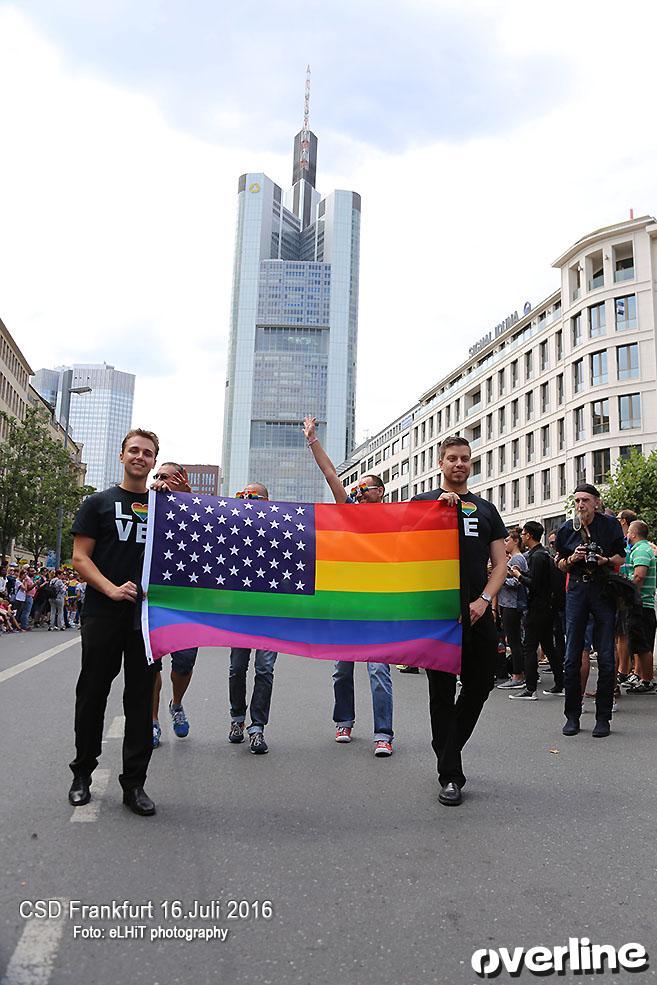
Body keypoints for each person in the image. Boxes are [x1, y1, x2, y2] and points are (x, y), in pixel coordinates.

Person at [68, 428, 161, 816]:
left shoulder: (164, 508)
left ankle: (134, 784)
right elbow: (80, 557)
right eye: (134, 450)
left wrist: (173, 493)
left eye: (147, 453)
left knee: (140, 701)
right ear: (122, 456)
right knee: (92, 695)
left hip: (147, 620)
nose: (140, 456)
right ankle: (82, 774)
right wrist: (110, 589)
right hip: (103, 613)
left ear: (154, 461)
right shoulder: (98, 503)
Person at [413, 436, 507, 806]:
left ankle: (447, 746)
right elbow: (401, 548)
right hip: (438, 616)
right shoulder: (423, 503)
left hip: (477, 612)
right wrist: (437, 510)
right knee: (440, 693)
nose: (459, 464)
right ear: (440, 463)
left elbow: (500, 564)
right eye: (452, 458)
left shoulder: (486, 510)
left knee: (481, 684)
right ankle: (451, 775)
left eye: (465, 458)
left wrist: (484, 600)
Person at [303, 415, 394, 757]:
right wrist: (313, 440)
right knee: (342, 670)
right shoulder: (351, 512)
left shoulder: (396, 518)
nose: (355, 492)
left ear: (379, 492)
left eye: (362, 488)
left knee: (379, 671)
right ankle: (344, 721)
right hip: (347, 605)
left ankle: (383, 733)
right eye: (354, 490)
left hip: (378, 605)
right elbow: (331, 474)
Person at [555, 483, 625, 738]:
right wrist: (572, 559)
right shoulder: (567, 528)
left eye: (585, 500)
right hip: (576, 589)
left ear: (596, 502)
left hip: (603, 589)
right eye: (577, 501)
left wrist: (605, 560)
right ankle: (572, 716)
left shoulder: (610, 525)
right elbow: (559, 563)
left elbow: (621, 557)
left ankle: (603, 718)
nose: (580, 505)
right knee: (571, 657)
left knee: (606, 657)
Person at [148, 462, 198, 747]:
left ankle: (176, 704)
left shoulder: (197, 509)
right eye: (157, 476)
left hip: (185, 603)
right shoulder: (148, 504)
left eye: (165, 477)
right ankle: (152, 721)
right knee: (151, 666)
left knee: (184, 664)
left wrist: (188, 499)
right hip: (152, 600)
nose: (159, 481)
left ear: (181, 480)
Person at [227, 482, 278, 755]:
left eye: (252, 496)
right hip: (240, 614)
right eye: (241, 496)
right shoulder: (233, 529)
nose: (246, 500)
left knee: (264, 669)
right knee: (237, 668)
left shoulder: (280, 530)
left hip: (269, 613)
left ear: (267, 502)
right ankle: (237, 719)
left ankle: (257, 727)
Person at [509, 521, 564, 699]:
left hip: (537, 607)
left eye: (523, 534)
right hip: (547, 607)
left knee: (530, 647)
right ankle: (560, 683)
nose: (522, 537)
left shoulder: (537, 556)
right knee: (548, 646)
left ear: (529, 535)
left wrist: (518, 576)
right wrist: (522, 574)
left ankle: (530, 688)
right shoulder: (543, 554)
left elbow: (535, 584)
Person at [624, 520, 657, 694]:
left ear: (634, 534)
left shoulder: (641, 550)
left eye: (629, 532)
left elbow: (638, 576)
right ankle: (644, 678)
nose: (627, 535)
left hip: (641, 604)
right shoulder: (643, 549)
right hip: (642, 604)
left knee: (643, 645)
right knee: (640, 644)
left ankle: (647, 680)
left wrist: (629, 593)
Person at [496, 529, 528, 690]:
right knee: (513, 640)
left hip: (512, 604)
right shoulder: (513, 558)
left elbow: (517, 582)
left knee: (514, 641)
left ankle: (518, 675)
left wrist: (499, 578)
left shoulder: (518, 559)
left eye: (507, 540)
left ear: (516, 541)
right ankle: (519, 672)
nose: (505, 543)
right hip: (507, 603)